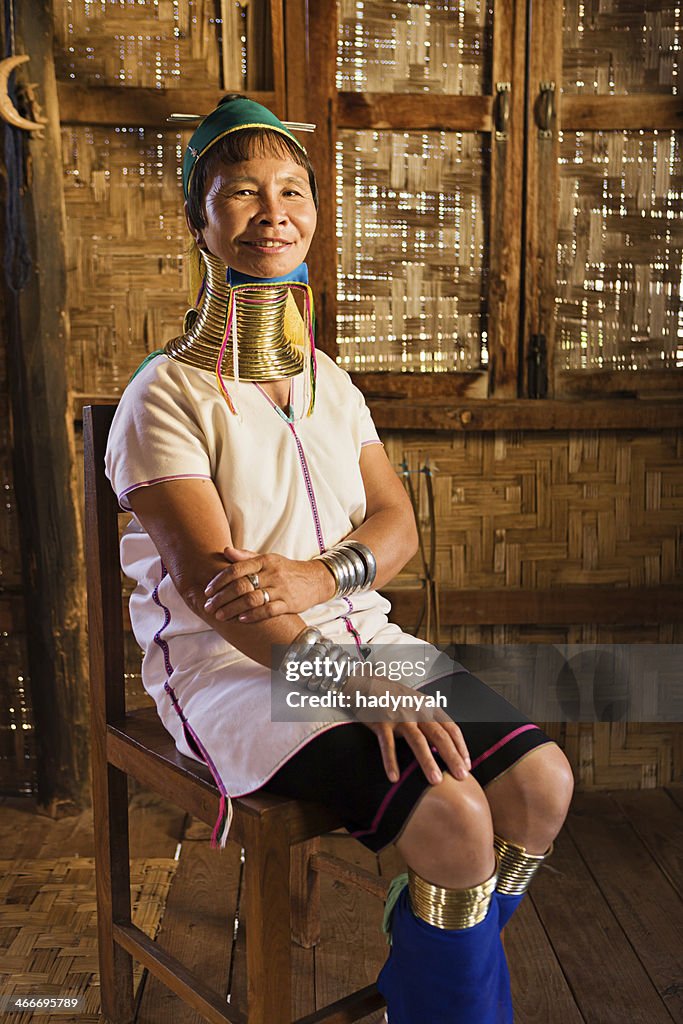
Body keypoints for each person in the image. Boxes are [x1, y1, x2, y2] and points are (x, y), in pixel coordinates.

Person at [105, 95, 574, 1023]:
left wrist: (324, 579)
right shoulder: (165, 395)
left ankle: (429, 955)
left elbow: (396, 525)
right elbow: (217, 595)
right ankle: (449, 980)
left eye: (291, 190)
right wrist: (360, 690)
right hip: (235, 671)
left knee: (540, 785)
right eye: (240, 193)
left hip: (362, 635)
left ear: (315, 212)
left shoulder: (328, 381)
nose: (272, 212)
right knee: (452, 819)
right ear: (197, 219)